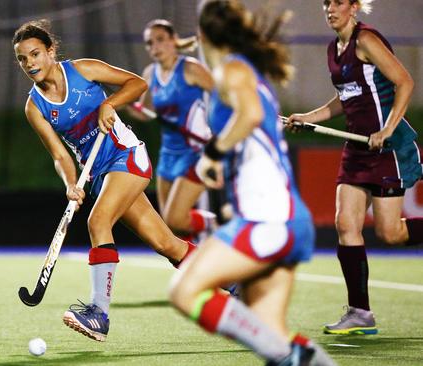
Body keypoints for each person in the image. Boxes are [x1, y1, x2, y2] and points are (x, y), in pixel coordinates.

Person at [169, 1, 335, 365]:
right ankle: (295, 354)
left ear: (204, 35)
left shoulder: (232, 70)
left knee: (185, 291)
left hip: (268, 219)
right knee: (272, 336)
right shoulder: (244, 72)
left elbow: (251, 115)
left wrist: (213, 151)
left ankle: (287, 352)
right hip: (283, 217)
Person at [12, 20, 196, 342]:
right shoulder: (35, 106)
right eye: (22, 59)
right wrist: (71, 184)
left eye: (35, 54)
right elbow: (59, 155)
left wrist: (109, 104)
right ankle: (235, 285)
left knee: (98, 222)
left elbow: (137, 84)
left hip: (127, 156)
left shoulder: (85, 70)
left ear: (51, 51)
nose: (30, 64)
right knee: (168, 245)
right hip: (99, 174)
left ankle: (99, 313)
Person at [287, 0, 421, 335]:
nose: (330, 8)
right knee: (346, 224)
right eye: (326, 3)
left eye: (338, 2)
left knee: (390, 234)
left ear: (355, 7)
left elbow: (404, 81)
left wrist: (387, 130)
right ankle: (360, 313)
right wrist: (308, 117)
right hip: (356, 148)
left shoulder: (367, 40)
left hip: (388, 148)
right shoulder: (334, 48)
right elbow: (344, 99)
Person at [127, 19, 218, 241]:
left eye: (160, 40)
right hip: (169, 154)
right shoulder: (151, 73)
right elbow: (144, 112)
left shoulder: (190, 68)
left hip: (195, 152)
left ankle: (219, 224)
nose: (154, 47)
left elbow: (222, 97)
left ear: (174, 40)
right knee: (171, 228)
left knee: (176, 219)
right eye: (149, 43)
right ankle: (197, 268)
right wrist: (122, 101)